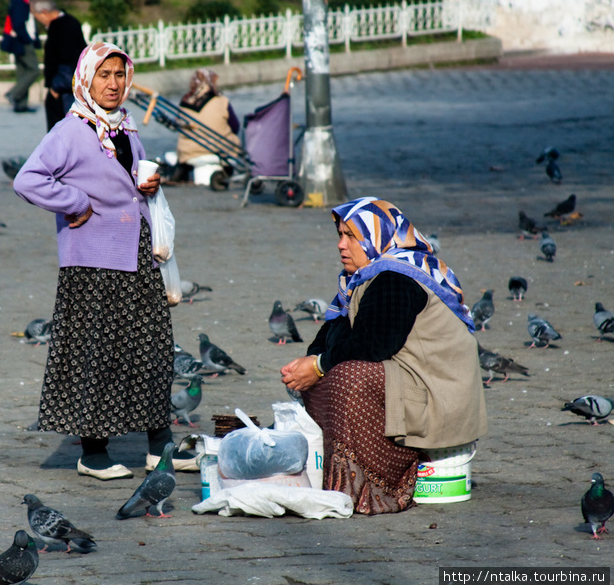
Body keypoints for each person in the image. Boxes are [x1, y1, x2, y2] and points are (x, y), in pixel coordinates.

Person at [12, 42, 197, 480]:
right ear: (86, 79)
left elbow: (126, 181)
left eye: (119, 74)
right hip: (93, 261)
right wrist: (75, 203)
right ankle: (92, 452)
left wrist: (146, 185)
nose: (113, 84)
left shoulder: (127, 127)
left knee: (151, 349)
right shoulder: (71, 130)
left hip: (138, 254)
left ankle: (159, 445)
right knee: (97, 352)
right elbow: (28, 179)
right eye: (104, 75)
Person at [281, 197, 487, 515]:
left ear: (377, 237)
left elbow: (372, 344)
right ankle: (334, 472)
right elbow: (336, 334)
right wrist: (309, 365)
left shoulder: (397, 278)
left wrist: (320, 365)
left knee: (347, 376)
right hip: (410, 387)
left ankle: (376, 486)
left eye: (351, 235)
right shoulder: (367, 278)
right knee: (321, 374)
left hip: (437, 398)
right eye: (339, 235)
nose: (341, 245)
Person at [30, 0, 87, 131]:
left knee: (63, 129)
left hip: (65, 86)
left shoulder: (60, 28)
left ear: (43, 12)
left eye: (37, 17)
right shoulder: (71, 21)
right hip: (72, 84)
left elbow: (68, 59)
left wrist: (56, 86)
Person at [173, 69, 241, 183]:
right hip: (219, 147)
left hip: (189, 151)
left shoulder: (184, 102)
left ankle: (182, 170)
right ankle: (227, 169)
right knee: (234, 140)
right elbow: (235, 127)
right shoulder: (221, 101)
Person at [4, 0, 42, 113]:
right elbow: (19, 23)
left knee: (23, 71)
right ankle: (13, 94)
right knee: (34, 70)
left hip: (20, 40)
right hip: (22, 41)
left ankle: (21, 105)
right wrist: (27, 39)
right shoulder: (20, 0)